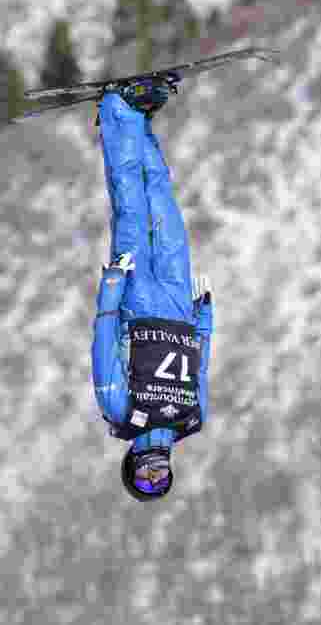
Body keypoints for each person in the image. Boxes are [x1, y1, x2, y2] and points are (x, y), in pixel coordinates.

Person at [90, 79, 213, 502]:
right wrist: (205, 321)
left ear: (131, 468)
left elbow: (104, 349)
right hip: (179, 309)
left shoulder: (121, 415)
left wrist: (110, 290)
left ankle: (115, 111)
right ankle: (139, 122)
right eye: (161, 483)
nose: (156, 476)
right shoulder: (192, 420)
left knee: (131, 206)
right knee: (163, 203)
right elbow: (200, 371)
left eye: (145, 482)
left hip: (137, 305)